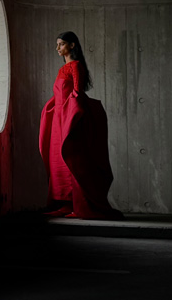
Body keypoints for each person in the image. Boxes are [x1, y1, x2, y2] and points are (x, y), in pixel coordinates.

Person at [38, 31, 123, 219]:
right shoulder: (63, 68)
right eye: (57, 44)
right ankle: (66, 204)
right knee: (58, 163)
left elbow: (76, 93)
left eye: (61, 44)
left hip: (70, 119)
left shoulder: (75, 66)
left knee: (73, 161)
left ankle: (79, 206)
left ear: (72, 45)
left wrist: (69, 116)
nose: (57, 48)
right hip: (59, 120)